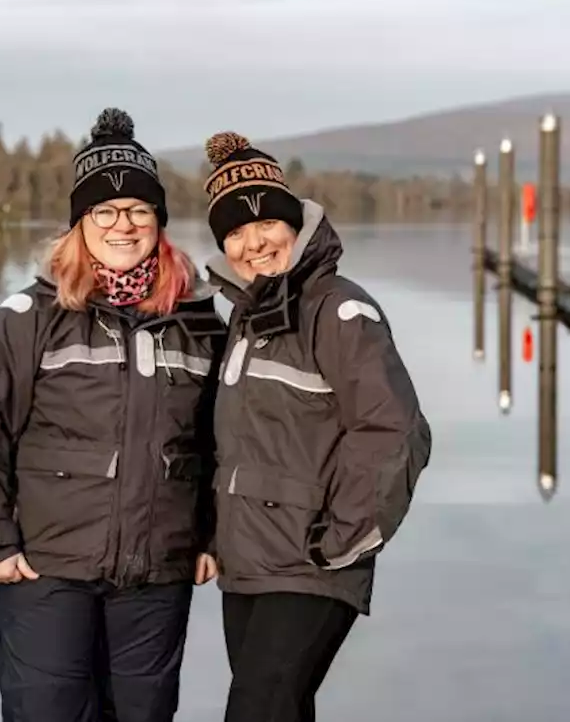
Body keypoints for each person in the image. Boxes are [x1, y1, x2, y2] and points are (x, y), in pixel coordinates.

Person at [0, 108, 227, 722]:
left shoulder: (199, 320)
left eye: (139, 211)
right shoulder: (29, 315)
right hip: (46, 568)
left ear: (160, 222)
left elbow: (226, 437)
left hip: (158, 571)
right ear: (80, 223)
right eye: (105, 212)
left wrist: (211, 533)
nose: (123, 226)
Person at [197, 131, 432, 722]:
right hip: (246, 565)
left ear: (295, 224)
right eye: (234, 232)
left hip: (312, 564)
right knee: (281, 709)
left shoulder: (339, 310)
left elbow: (397, 430)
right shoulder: (244, 321)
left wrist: (345, 538)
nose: (253, 243)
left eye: (266, 224)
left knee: (256, 710)